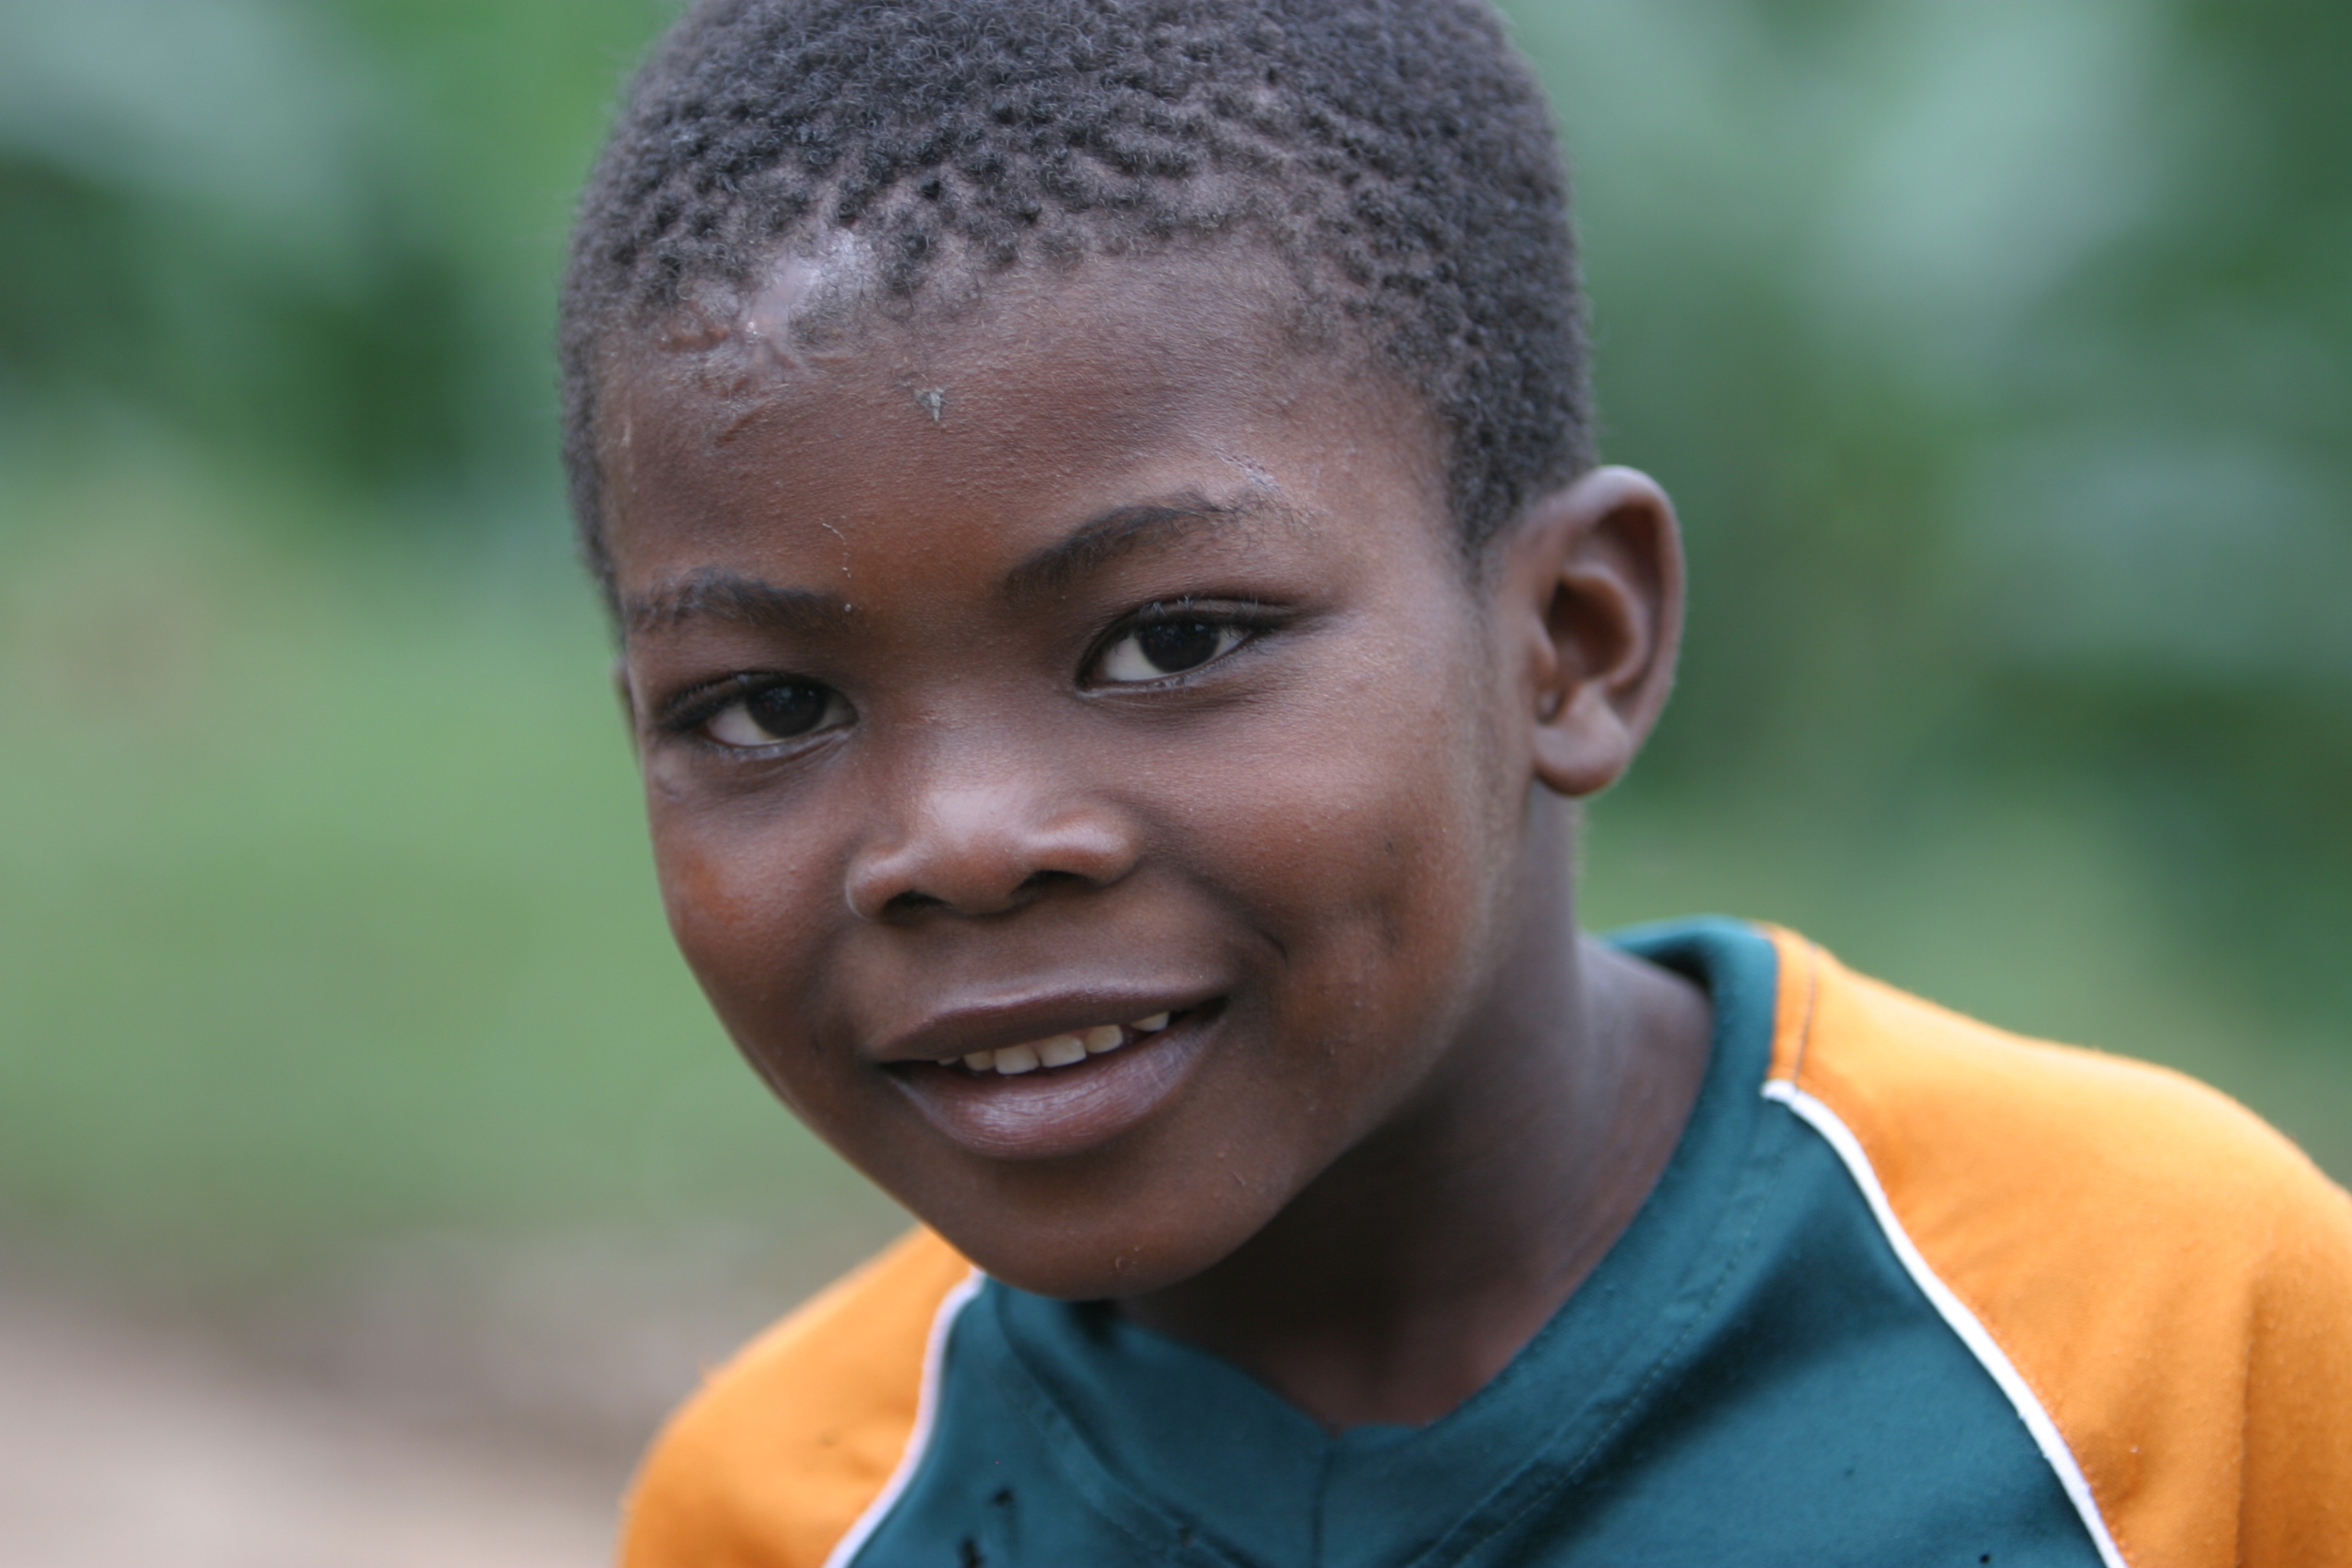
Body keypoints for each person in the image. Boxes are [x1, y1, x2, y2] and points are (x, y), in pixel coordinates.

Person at [557, 2, 2352, 1562]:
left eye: (1173, 642)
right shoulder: (787, 1510)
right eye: (767, 704)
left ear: (1570, 640)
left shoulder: (2185, 1343)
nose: (958, 841)